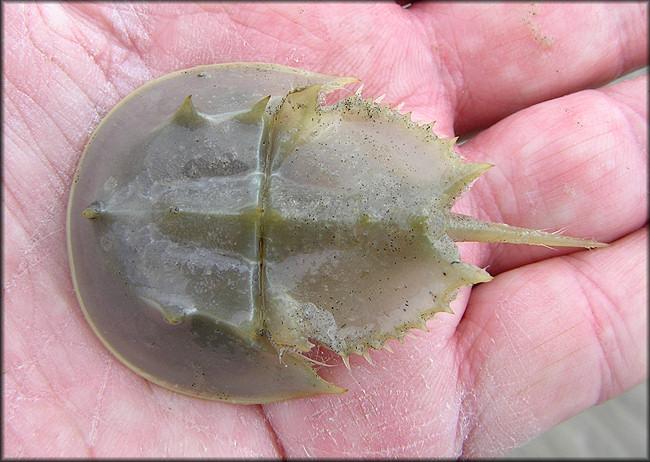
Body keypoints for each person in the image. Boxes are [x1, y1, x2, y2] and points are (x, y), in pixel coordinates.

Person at [3, 2, 646, 458]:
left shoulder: (158, 321)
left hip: (300, 237)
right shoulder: (254, 123)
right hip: (299, 171)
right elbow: (296, 112)